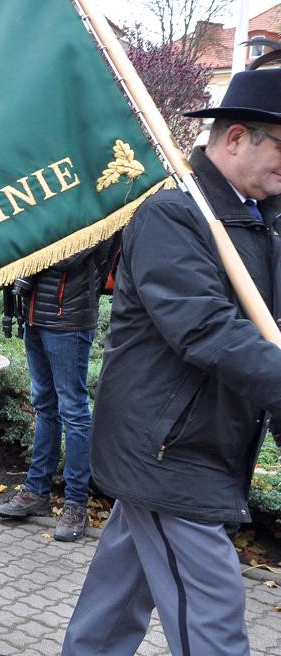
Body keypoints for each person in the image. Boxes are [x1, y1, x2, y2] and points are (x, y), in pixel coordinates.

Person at [62, 69, 281, 655]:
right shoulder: (173, 215)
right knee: (213, 619)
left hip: (194, 444)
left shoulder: (262, 220)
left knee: (115, 602)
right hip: (167, 452)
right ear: (236, 137)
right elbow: (204, 328)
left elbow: (268, 331)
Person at [0, 241, 112, 541]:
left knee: (73, 411)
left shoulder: (91, 205)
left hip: (68, 319)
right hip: (35, 316)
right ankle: (36, 492)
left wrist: (30, 244)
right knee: (45, 406)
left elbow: (66, 255)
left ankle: (75, 504)